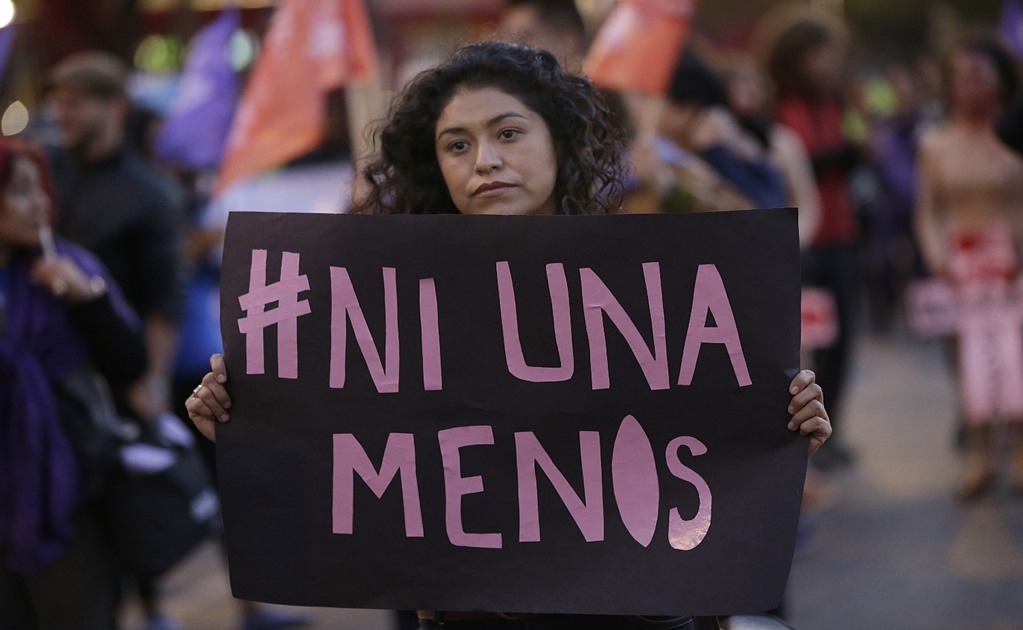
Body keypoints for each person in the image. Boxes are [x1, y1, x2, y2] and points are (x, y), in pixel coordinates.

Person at [186, 41, 832, 629]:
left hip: (634, 611)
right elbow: (349, 460)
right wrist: (249, 427)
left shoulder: (650, 284)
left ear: (558, 143)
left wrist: (781, 422)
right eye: (457, 145)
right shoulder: (392, 307)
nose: (485, 161)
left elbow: (708, 443)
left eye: (508, 133)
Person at [41, 49, 188, 630]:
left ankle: (152, 609)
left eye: (74, 102)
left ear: (114, 108)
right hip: (51, 369)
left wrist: (150, 380)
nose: (62, 113)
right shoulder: (44, 172)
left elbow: (163, 298)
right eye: (57, 101)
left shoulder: (149, 194)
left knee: (134, 498)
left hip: (116, 369)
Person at [0, 137, 147, 629]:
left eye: (40, 187)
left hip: (70, 489)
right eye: (20, 191)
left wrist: (87, 299)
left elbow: (130, 363)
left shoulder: (69, 267)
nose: (39, 202)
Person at [914, 36, 1023, 500]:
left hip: (1011, 267)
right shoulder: (935, 144)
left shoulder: (1014, 139)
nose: (972, 87)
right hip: (960, 269)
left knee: (1017, 362)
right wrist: (938, 258)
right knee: (969, 366)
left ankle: (1019, 457)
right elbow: (928, 210)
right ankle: (981, 459)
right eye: (964, 77)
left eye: (981, 75)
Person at [765, 13, 861, 471]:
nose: (830, 62)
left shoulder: (833, 102)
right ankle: (800, 434)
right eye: (820, 52)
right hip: (803, 240)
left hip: (841, 236)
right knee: (800, 345)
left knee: (842, 339)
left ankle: (833, 424)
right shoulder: (779, 108)